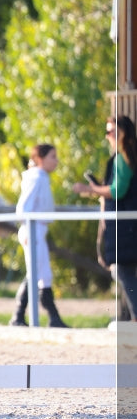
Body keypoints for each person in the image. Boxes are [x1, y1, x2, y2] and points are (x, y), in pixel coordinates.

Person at [73, 115, 137, 320]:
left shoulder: (122, 158)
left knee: (122, 271)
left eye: (111, 131)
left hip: (126, 227)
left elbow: (117, 190)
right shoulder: (128, 156)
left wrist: (91, 189)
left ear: (123, 133)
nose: (108, 135)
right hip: (129, 226)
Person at [10, 143, 68, 328]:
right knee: (36, 273)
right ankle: (20, 316)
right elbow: (23, 208)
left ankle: (52, 318)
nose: (56, 161)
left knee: (43, 274)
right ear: (40, 159)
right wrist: (27, 229)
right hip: (33, 230)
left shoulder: (41, 177)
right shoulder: (36, 178)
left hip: (38, 229)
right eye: (52, 156)